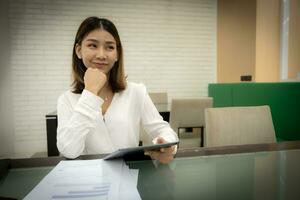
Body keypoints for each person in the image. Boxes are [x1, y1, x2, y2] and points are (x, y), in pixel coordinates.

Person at [57, 16, 178, 164]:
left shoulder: (136, 91)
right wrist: (90, 93)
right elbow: (68, 150)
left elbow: (164, 131)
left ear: (117, 54)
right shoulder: (67, 99)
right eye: (93, 45)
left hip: (128, 176)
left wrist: (165, 145)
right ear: (78, 50)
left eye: (110, 47)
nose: (101, 55)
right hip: (88, 180)